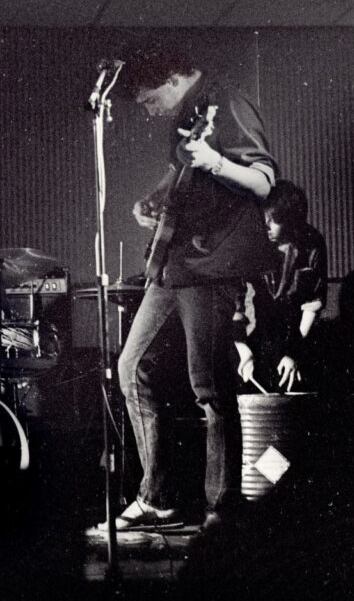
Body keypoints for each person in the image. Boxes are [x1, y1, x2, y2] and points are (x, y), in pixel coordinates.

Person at [107, 39, 279, 532]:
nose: (148, 110)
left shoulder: (228, 102)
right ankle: (156, 497)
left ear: (174, 78)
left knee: (209, 386)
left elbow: (264, 181)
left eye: (150, 99)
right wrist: (154, 198)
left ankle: (222, 508)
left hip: (213, 263)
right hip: (174, 262)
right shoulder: (186, 112)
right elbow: (180, 171)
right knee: (130, 367)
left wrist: (216, 162)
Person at [234, 180, 327, 393]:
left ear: (291, 221)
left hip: (297, 335)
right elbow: (236, 305)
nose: (266, 227)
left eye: (273, 222)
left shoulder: (312, 243)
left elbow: (312, 304)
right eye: (263, 219)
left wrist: (293, 352)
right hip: (254, 336)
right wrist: (243, 351)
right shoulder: (250, 244)